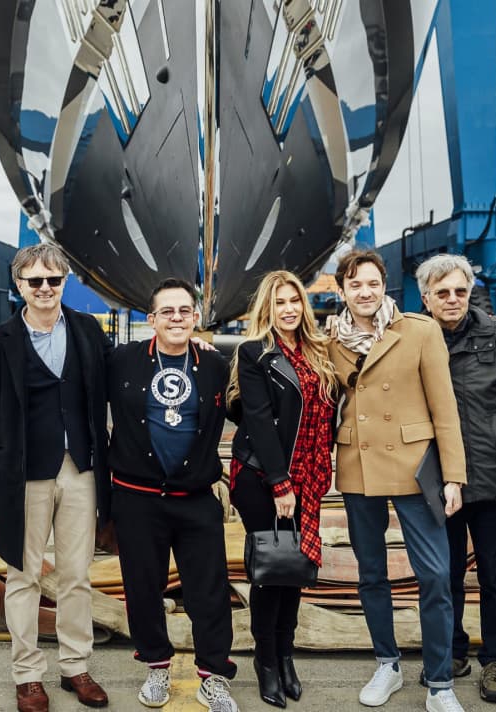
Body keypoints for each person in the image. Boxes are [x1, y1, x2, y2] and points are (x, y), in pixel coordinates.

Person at [0, 243, 112, 712]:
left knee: (76, 576)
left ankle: (75, 667)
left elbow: (125, 377)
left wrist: (191, 346)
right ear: (19, 286)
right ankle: (28, 675)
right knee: (24, 577)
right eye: (35, 281)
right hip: (21, 477)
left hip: (80, 470)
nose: (45, 288)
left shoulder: (88, 331)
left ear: (65, 282)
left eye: (53, 280)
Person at [328, 249, 468, 712]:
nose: (364, 292)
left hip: (414, 465)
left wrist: (453, 476)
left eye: (372, 283)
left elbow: (444, 408)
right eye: (354, 285)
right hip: (358, 464)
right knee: (371, 575)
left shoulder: (420, 330)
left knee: (435, 575)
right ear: (342, 290)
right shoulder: (331, 339)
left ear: (383, 284)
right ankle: (387, 664)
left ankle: (440, 681)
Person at [107, 278, 239, 712]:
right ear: (152, 320)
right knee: (143, 588)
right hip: (136, 497)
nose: (177, 318)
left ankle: (213, 677)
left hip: (195, 496)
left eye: (185, 311)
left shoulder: (218, 365)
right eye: (168, 311)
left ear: (196, 318)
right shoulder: (122, 361)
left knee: (210, 590)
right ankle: (157, 668)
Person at [227, 271, 338, 708]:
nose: (289, 309)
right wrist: (279, 484)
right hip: (263, 477)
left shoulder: (319, 352)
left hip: (308, 477)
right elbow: (256, 418)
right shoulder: (256, 353)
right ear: (266, 310)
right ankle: (266, 661)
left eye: (295, 300)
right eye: (280, 303)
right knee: (272, 571)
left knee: (293, 571)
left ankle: (286, 654)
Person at [416, 254, 496, 704]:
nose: (453, 299)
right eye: (442, 293)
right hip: (440, 481)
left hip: (493, 476)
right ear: (426, 299)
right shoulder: (414, 340)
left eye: (460, 291)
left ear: (470, 290)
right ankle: (452, 650)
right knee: (447, 574)